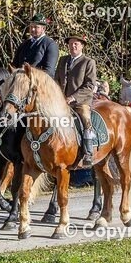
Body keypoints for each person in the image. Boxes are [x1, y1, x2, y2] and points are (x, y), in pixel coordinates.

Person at [54, 34, 98, 167]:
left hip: (80, 102)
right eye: (71, 44)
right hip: (62, 101)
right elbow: (56, 80)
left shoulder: (88, 62)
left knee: (85, 118)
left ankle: (88, 151)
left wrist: (73, 97)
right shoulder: (63, 60)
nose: (72, 46)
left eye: (76, 44)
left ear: (82, 46)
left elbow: (90, 85)